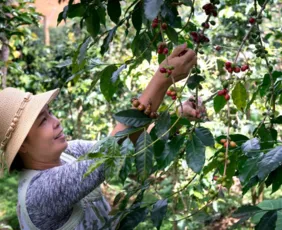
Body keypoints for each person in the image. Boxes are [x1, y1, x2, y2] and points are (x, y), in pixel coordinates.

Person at [0, 44, 199, 230]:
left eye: (49, 113)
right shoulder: (39, 194)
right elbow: (108, 154)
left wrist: (174, 119)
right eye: (42, 121)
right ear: (22, 146)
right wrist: (162, 78)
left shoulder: (69, 152)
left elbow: (125, 141)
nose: (56, 121)